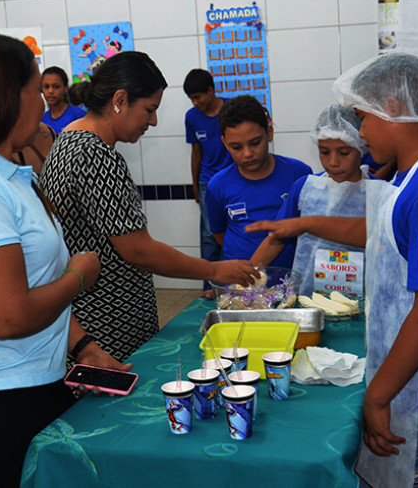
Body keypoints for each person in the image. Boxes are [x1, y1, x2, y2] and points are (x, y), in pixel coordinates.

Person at [0, 32, 127, 488]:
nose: (44, 99)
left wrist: (82, 346)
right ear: (7, 97)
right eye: (35, 89)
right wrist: (78, 276)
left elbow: (33, 281)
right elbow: (8, 316)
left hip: (28, 384)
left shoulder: (4, 172)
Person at [246, 53, 418, 487]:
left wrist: (378, 397)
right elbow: (382, 229)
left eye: (363, 118)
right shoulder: (411, 175)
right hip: (399, 365)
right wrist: (305, 222)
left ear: (393, 108)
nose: (360, 132)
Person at [40, 52, 258, 363]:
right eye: (150, 109)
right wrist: (215, 269)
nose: (152, 121)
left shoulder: (67, 140)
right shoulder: (96, 155)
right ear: (120, 100)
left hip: (86, 318)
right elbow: (138, 250)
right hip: (107, 327)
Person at [251, 104, 377, 296]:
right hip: (308, 296)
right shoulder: (305, 188)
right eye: (325, 152)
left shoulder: (379, 193)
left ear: (361, 147)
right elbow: (276, 240)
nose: (333, 162)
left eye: (344, 153)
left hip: (362, 300)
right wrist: (244, 277)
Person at [206, 94, 313, 270]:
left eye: (255, 143)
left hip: (291, 281)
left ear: (269, 133)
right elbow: (219, 233)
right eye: (236, 147)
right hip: (241, 285)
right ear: (225, 143)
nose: (247, 153)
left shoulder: (299, 174)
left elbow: (308, 228)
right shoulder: (218, 185)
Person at [183, 69, 233, 287]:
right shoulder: (191, 117)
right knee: (209, 234)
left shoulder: (231, 109)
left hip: (232, 180)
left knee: (233, 230)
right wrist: (195, 185)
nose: (195, 103)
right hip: (207, 182)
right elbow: (196, 153)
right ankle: (210, 288)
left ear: (211, 91)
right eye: (191, 98)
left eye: (198, 97)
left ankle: (234, 283)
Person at [41, 66, 86, 133]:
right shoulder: (42, 120)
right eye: (46, 87)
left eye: (56, 87)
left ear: (66, 88)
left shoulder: (79, 115)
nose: (50, 91)